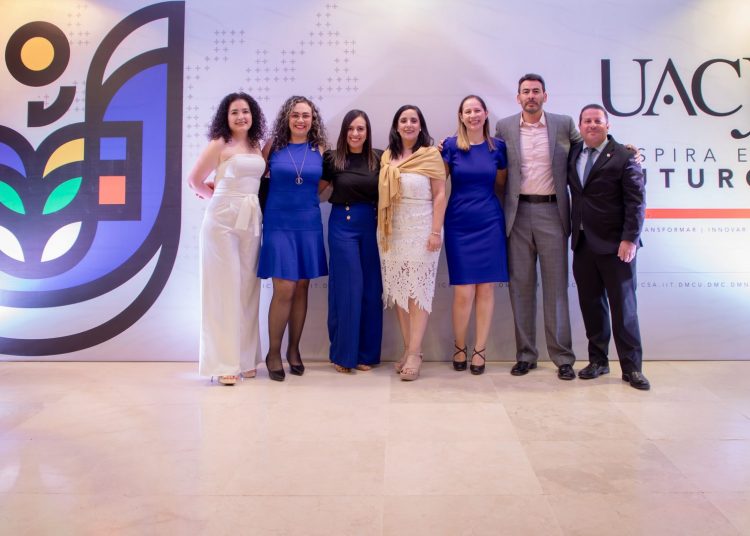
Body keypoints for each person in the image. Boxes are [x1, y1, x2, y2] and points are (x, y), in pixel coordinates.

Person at [494, 73, 579, 381]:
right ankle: (526, 355)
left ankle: (563, 358)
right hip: (517, 215)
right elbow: (490, 159)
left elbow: (588, 149)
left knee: (556, 289)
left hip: (552, 212)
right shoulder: (504, 127)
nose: (531, 96)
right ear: (518, 97)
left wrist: (624, 149)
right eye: (526, 92)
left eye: (536, 91)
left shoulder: (563, 124)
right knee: (521, 288)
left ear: (545, 95)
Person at [568, 104, 649, 390]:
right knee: (592, 306)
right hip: (583, 244)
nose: (592, 125)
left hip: (617, 246)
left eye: (597, 121)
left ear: (607, 125)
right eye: (587, 121)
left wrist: (630, 239)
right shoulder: (574, 154)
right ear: (580, 126)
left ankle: (632, 368)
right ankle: (598, 361)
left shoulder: (625, 156)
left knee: (624, 309)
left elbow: (636, 201)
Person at [188, 92, 266, 386]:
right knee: (224, 289)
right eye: (235, 112)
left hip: (251, 220)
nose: (241, 117)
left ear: (252, 115)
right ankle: (223, 363)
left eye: (245, 111)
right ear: (226, 116)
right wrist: (219, 198)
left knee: (248, 288)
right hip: (221, 222)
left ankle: (245, 359)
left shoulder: (257, 145)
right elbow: (194, 180)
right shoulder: (219, 143)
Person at [258, 96, 328, 381]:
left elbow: (322, 185)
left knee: (301, 286)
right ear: (287, 118)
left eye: (306, 115)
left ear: (313, 119)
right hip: (278, 223)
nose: (301, 120)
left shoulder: (320, 149)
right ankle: (273, 352)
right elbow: (255, 179)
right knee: (285, 287)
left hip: (308, 223)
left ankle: (294, 350)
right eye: (296, 115)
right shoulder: (272, 146)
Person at [441, 95, 509, 375]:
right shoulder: (449, 146)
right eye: (467, 111)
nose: (473, 115)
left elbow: (502, 184)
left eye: (477, 110)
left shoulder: (498, 147)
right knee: (463, 291)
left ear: (485, 113)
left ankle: (480, 350)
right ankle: (460, 346)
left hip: (489, 222)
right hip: (458, 224)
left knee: (486, 289)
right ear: (461, 116)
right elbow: (437, 186)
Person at [379, 105, 447, 381]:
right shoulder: (388, 156)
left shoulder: (431, 155)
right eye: (403, 120)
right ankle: (408, 349)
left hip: (422, 229)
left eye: (413, 120)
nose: (408, 124)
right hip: (392, 231)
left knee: (418, 292)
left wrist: (435, 231)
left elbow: (440, 195)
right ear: (396, 126)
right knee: (400, 292)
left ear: (421, 126)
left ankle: (416, 353)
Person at [320, 110, 383, 374]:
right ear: (344, 131)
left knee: (370, 290)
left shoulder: (380, 157)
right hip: (342, 226)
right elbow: (316, 191)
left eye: (361, 129)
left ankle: (365, 354)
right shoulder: (332, 158)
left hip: (371, 226)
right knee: (348, 288)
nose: (355, 134)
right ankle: (343, 355)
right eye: (351, 129)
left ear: (367, 133)